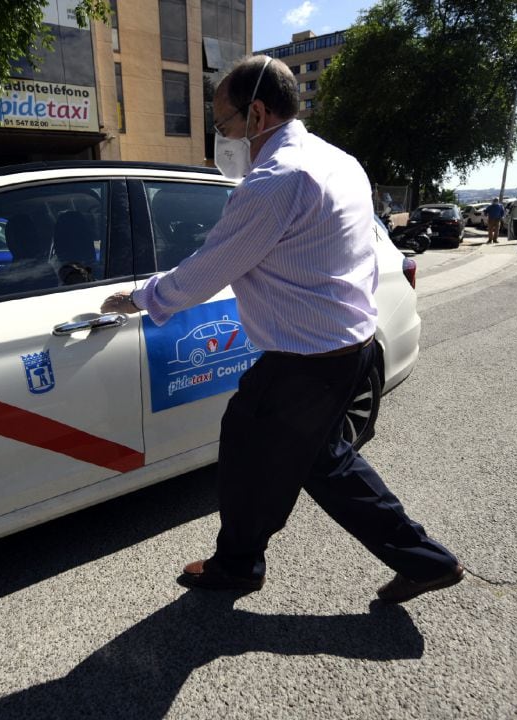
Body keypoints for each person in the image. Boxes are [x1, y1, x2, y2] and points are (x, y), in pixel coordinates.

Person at [100, 55, 463, 604]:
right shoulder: (340, 161)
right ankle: (426, 561)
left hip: (305, 362)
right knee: (325, 462)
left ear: (258, 113)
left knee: (246, 451)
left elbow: (208, 268)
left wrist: (139, 298)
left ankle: (238, 566)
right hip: (349, 347)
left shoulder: (276, 181)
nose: (221, 136)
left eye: (222, 124)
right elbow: (360, 252)